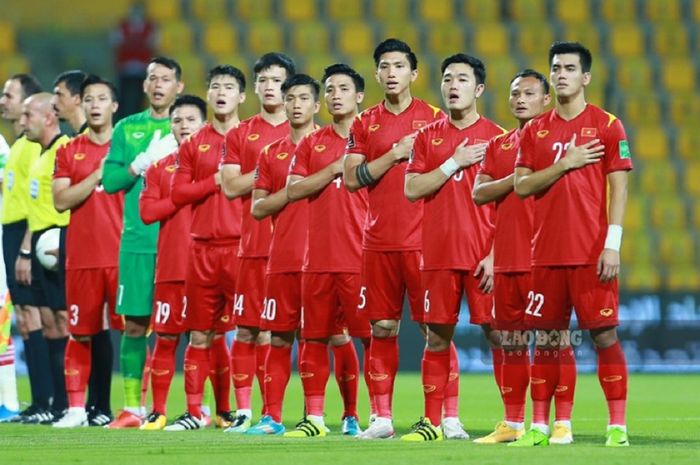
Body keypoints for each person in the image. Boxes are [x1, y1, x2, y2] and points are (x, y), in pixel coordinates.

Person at [509, 41, 632, 447]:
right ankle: (541, 427)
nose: (561, 74)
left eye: (569, 68)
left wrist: (612, 244)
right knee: (545, 339)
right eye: (556, 67)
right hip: (544, 252)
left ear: (586, 77)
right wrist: (563, 164)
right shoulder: (535, 129)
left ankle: (617, 426)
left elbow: (619, 187)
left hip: (591, 252)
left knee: (604, 336)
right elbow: (521, 185)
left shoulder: (607, 125)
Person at [342, 38, 444, 439]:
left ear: (414, 73)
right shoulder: (364, 123)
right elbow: (351, 179)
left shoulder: (436, 119)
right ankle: (381, 417)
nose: (391, 73)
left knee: (436, 331)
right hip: (379, 240)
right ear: (376, 73)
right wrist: (395, 154)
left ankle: (444, 417)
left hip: (425, 243)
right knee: (381, 328)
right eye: (384, 66)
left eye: (399, 66)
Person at [402, 53, 505, 441]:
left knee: (498, 335)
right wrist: (452, 163)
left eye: (462, 79)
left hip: (483, 256)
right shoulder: (428, 137)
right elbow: (411, 189)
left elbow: (510, 205)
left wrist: (496, 255)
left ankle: (512, 420)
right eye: (447, 78)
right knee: (437, 337)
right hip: (439, 254)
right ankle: (432, 423)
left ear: (478, 88)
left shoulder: (498, 137)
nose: (452, 85)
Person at [284, 64, 370, 437]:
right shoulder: (310, 143)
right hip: (316, 257)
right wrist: (335, 168)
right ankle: (315, 419)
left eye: (343, 88)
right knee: (315, 336)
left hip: (362, 256)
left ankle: (367, 415)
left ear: (360, 96)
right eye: (330, 89)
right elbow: (293, 190)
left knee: (371, 337)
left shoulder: (374, 137)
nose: (336, 95)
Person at [471, 69, 556, 443]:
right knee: (511, 343)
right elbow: (479, 194)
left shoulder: (558, 143)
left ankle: (549, 423)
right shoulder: (499, 146)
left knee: (553, 344)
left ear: (546, 100)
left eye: (530, 93)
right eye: (515, 93)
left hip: (547, 257)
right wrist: (518, 182)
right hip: (506, 258)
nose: (520, 99)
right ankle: (512, 423)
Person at [102, 56, 183, 428]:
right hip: (137, 241)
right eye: (152, 78)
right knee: (134, 326)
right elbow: (112, 182)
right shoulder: (126, 128)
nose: (158, 84)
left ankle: (206, 409)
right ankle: (133, 408)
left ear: (179, 87)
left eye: (166, 79)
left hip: (180, 243)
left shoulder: (188, 127)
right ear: (145, 85)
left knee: (199, 329)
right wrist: (139, 164)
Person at [165, 65, 246, 431]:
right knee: (200, 334)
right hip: (201, 250)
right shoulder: (194, 144)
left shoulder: (253, 138)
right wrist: (214, 181)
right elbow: (178, 194)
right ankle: (195, 411)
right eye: (215, 87)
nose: (221, 92)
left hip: (243, 248)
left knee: (251, 332)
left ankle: (245, 412)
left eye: (229, 87)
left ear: (242, 96)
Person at [220, 52, 295, 433]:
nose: (270, 87)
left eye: (278, 80)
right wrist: (272, 171)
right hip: (251, 245)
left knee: (277, 331)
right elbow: (231, 185)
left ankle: (274, 412)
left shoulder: (306, 134)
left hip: (292, 248)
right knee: (247, 330)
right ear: (254, 87)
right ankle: (246, 411)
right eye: (263, 79)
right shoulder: (239, 134)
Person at [243, 74, 319, 436]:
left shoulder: (334, 148)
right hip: (283, 256)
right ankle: (271, 417)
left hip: (324, 257)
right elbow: (258, 209)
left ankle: (340, 416)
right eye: (290, 98)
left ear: (316, 105)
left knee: (327, 337)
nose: (296, 104)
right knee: (277, 337)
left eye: (303, 98)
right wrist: (295, 191)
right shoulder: (270, 154)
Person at [51, 75, 124, 428]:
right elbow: (60, 200)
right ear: (83, 105)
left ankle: (133, 408)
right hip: (82, 258)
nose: (95, 105)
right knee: (79, 332)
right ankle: (77, 410)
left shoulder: (128, 149)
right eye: (89, 99)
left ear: (114, 106)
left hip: (123, 257)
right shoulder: (68, 150)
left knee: (133, 332)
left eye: (101, 99)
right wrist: (96, 175)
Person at [139, 94, 207, 430]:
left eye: (191, 120)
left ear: (203, 125)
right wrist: (184, 196)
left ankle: (206, 411)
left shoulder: (219, 165)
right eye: (177, 120)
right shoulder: (158, 169)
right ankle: (159, 410)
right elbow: (147, 213)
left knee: (206, 339)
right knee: (165, 340)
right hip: (169, 268)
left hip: (206, 267)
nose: (183, 126)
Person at [19, 92, 72, 423]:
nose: (23, 123)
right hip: (39, 240)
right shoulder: (40, 154)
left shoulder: (64, 150)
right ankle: (57, 401)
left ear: (49, 117)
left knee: (65, 321)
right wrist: (27, 248)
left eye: (29, 116)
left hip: (57, 241)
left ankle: (73, 400)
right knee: (50, 322)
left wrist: (65, 243)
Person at [0, 73, 43, 422]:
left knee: (18, 322)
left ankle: (14, 401)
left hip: (12, 243)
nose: (3, 101)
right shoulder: (12, 146)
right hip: (11, 239)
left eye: (8, 95)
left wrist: (25, 246)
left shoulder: (15, 147)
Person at [111, 2, 156, 118]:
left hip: (142, 67)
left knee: (140, 99)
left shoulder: (149, 27)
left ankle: (137, 124)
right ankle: (120, 122)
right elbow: (115, 44)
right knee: (122, 98)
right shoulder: (122, 26)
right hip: (125, 67)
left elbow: (153, 46)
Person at [51, 70, 87, 135]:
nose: (53, 101)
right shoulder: (76, 140)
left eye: (59, 95)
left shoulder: (98, 139)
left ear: (77, 99)